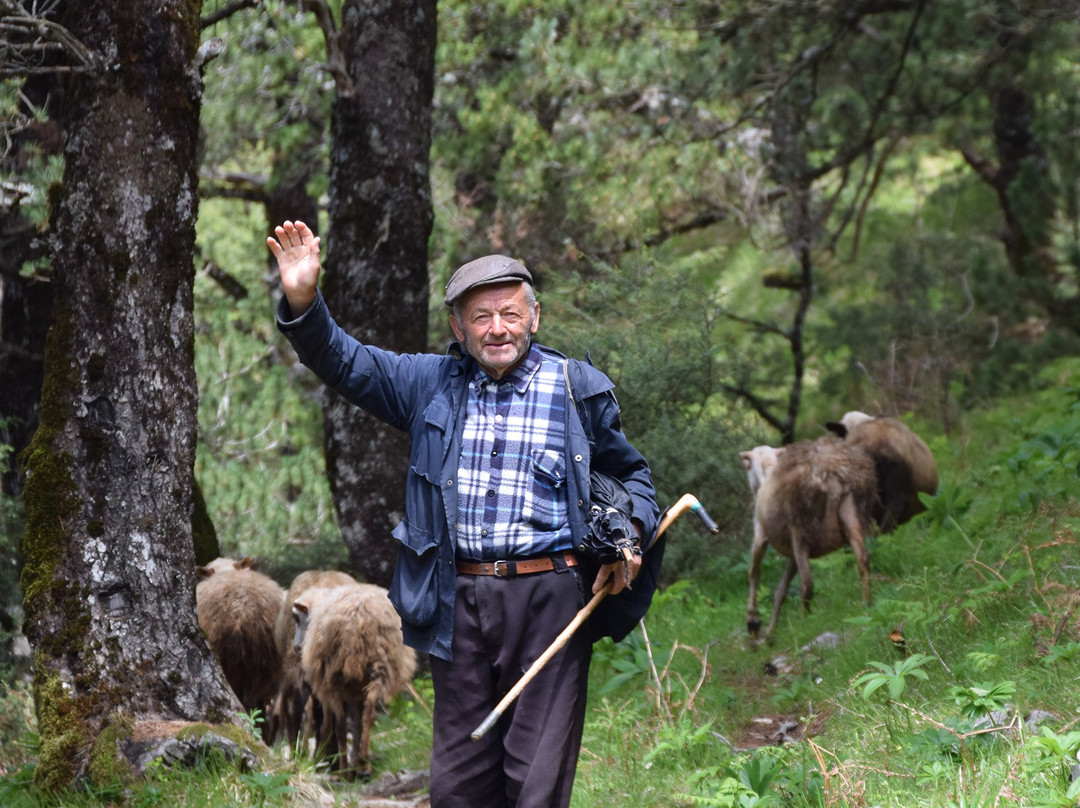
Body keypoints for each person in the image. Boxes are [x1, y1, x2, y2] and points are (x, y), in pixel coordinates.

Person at [269, 220, 659, 808]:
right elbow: (347, 363)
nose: (497, 328)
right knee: (459, 786)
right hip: (459, 604)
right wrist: (303, 298)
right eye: (481, 317)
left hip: (551, 598)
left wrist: (627, 536)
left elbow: (634, 478)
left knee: (537, 782)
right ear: (458, 326)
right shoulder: (430, 385)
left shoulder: (577, 388)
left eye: (509, 313)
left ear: (534, 317)